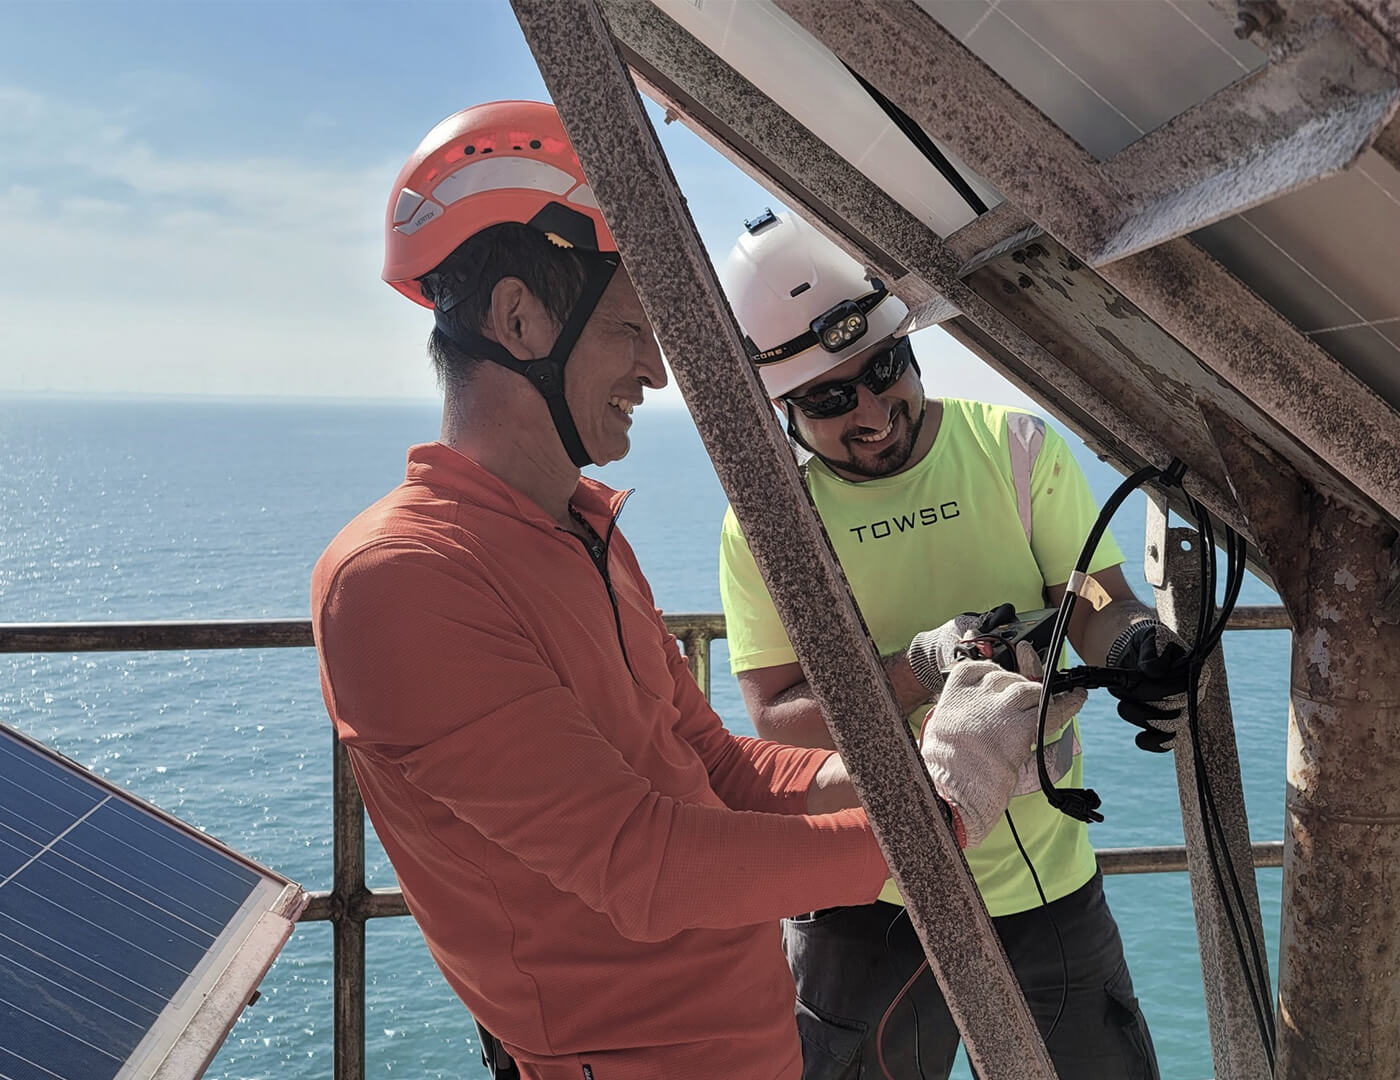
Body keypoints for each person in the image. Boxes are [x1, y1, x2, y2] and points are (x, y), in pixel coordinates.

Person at [310, 101, 1084, 1080]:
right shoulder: (401, 581)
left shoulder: (583, 532)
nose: (655, 372)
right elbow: (644, 867)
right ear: (518, 319)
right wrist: (943, 818)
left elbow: (715, 767)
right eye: (632, 330)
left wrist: (919, 766)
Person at [716, 211, 1190, 1079]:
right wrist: (921, 669)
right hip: (861, 888)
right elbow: (777, 718)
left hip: (1040, 873)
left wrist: (1131, 646)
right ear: (782, 409)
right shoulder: (769, 524)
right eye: (828, 400)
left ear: (909, 348)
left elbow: (1091, 597)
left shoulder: (1015, 449)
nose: (871, 412)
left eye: (883, 369)